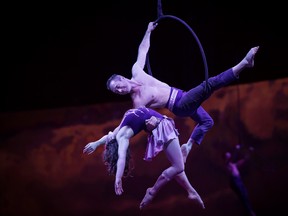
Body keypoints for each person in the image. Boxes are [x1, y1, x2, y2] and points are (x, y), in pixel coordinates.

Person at [106, 21, 260, 163]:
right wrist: (148, 126)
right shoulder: (138, 101)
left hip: (181, 94)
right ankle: (244, 64)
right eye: (116, 91)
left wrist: (148, 31)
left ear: (122, 78)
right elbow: (136, 122)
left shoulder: (136, 71)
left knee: (207, 121)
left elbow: (143, 50)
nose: (119, 91)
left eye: (118, 86)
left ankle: (188, 146)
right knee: (210, 83)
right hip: (180, 104)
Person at [83, 106, 205, 210]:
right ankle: (152, 191)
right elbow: (121, 157)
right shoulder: (122, 135)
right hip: (162, 126)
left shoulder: (118, 132)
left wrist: (96, 143)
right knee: (178, 166)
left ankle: (191, 191)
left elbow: (109, 140)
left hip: (160, 125)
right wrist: (118, 177)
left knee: (178, 166)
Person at [224, 145, 256, 216]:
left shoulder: (233, 165)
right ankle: (250, 212)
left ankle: (249, 211)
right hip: (235, 181)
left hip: (239, 180)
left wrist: (250, 152)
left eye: (229, 155)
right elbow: (231, 159)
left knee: (245, 195)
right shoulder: (227, 165)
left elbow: (244, 160)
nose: (229, 156)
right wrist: (236, 149)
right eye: (227, 156)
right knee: (243, 196)